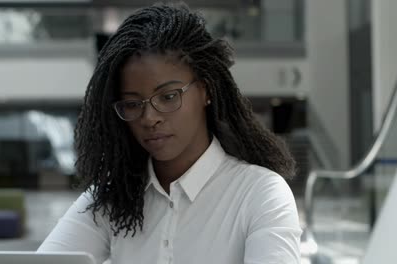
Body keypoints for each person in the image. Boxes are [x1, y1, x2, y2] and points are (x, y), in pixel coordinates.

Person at [38, 2, 302, 263]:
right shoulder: (113, 198)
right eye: (132, 104)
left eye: (168, 96)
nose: (149, 118)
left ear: (206, 89)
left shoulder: (260, 194)